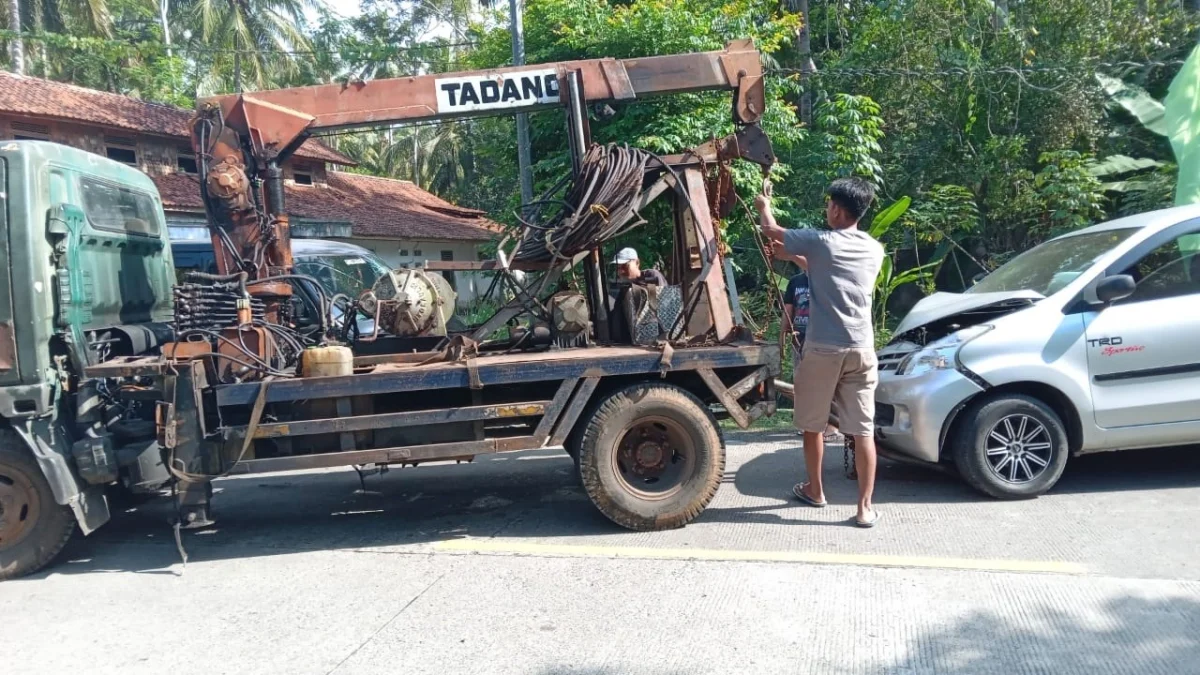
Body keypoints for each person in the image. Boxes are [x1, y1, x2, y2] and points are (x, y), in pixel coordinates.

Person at [756, 177, 885, 528]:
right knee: (862, 432)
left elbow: (771, 230)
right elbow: (830, 272)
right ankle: (864, 508)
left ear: (838, 210)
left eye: (829, 205)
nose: (826, 210)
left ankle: (816, 490)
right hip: (861, 349)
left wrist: (764, 204)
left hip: (823, 349)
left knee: (813, 427)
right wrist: (795, 257)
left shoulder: (822, 240)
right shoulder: (874, 249)